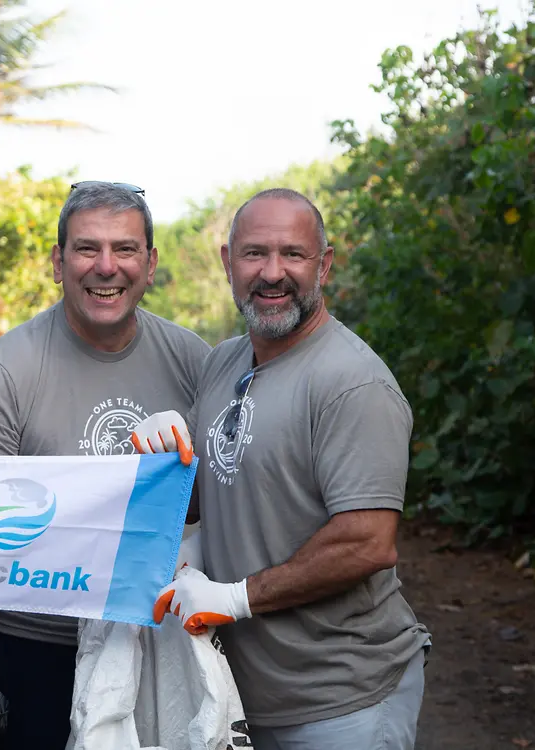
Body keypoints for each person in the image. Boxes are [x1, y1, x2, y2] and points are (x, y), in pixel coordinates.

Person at [134, 188, 432, 749]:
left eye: (293, 254)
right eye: (254, 254)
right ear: (228, 262)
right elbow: (210, 496)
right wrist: (164, 456)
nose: (272, 273)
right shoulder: (224, 361)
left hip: (341, 698)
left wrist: (235, 597)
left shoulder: (352, 383)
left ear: (325, 263)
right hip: (249, 698)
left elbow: (366, 543)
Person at [0, 181, 212, 749]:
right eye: (86, 248)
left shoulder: (194, 359)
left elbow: (218, 503)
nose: (106, 267)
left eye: (124, 249)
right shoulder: (13, 362)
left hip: (150, 633)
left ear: (150, 263)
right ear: (57, 261)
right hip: (33, 637)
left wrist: (175, 470)